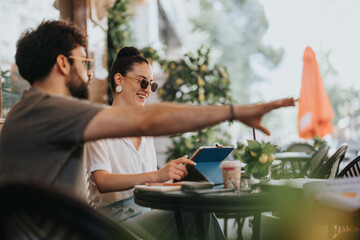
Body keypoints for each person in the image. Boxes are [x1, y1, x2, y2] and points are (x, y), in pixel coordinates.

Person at [0, 20, 295, 237]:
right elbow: (148, 120)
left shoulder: (29, 111)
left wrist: (173, 175)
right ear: (63, 63)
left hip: (65, 227)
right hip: (81, 229)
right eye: (85, 62)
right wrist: (234, 111)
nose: (90, 72)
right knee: (193, 218)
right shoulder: (52, 110)